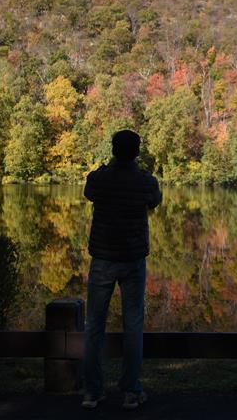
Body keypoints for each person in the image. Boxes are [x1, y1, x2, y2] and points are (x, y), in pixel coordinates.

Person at [82, 129, 162, 410]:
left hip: (103, 258)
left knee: (94, 325)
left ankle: (92, 391)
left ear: (113, 150)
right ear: (137, 152)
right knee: (133, 326)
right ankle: (131, 391)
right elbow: (155, 200)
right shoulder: (145, 181)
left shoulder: (100, 178)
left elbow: (88, 190)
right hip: (132, 259)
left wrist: (106, 167)